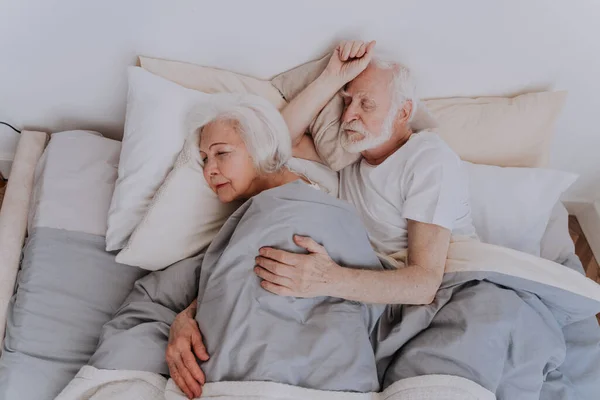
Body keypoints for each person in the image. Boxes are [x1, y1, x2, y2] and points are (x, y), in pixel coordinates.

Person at [167, 41, 477, 395]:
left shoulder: (427, 159)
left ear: (404, 111)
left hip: (419, 291)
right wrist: (333, 77)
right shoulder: (350, 158)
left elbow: (424, 284)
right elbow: (271, 144)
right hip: (357, 283)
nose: (348, 116)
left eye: (366, 104)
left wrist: (328, 280)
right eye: (347, 102)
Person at [167, 94, 384, 399]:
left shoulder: (320, 211)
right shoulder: (250, 214)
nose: (209, 170)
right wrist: (184, 318)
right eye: (204, 159)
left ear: (260, 147)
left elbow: (373, 300)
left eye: (221, 153)